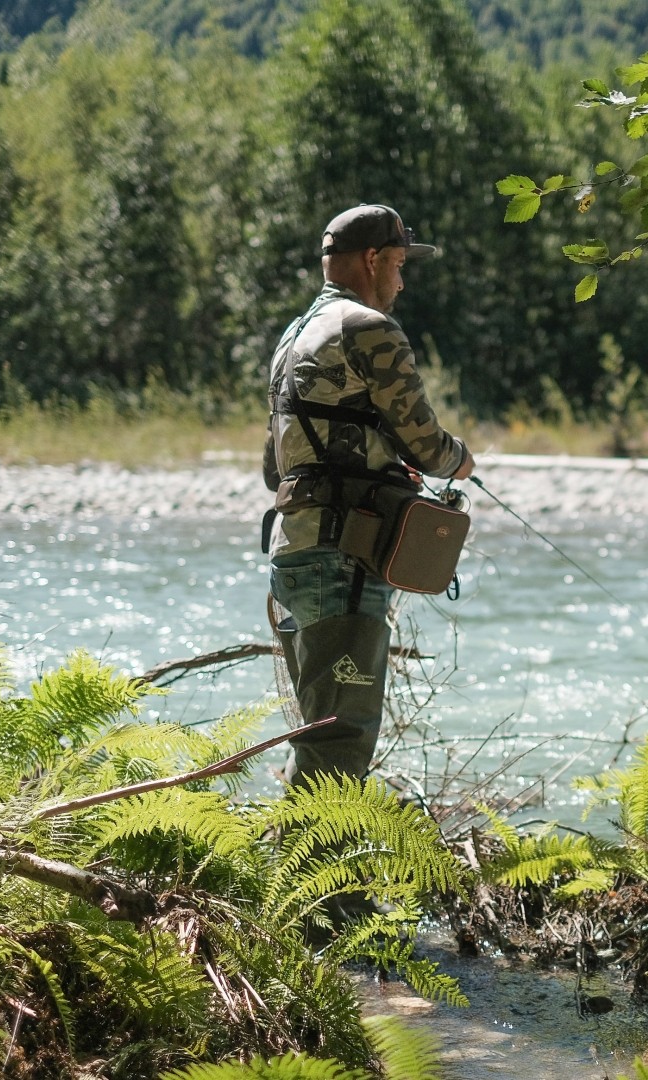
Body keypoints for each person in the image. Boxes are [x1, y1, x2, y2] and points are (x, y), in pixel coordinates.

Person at [262, 203, 474, 789]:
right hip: (343, 562)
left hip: (294, 559)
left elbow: (270, 468)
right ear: (372, 258)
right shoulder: (368, 328)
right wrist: (462, 460)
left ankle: (290, 874)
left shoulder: (292, 337)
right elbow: (427, 446)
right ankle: (325, 882)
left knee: (318, 729)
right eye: (400, 263)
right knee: (341, 738)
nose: (402, 282)